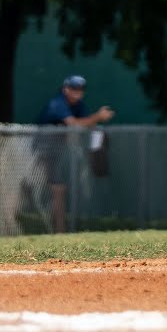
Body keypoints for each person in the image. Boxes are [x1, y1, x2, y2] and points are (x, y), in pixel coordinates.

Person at [34, 75, 114, 233]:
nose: (78, 92)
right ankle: (58, 230)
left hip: (58, 153)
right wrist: (97, 117)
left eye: (81, 89)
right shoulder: (57, 103)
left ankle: (60, 231)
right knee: (55, 188)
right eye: (74, 88)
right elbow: (74, 124)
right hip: (38, 152)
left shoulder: (78, 106)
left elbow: (87, 124)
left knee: (59, 188)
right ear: (66, 89)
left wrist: (97, 131)